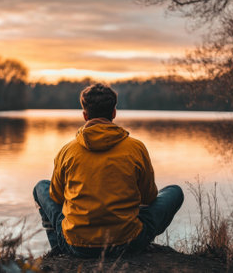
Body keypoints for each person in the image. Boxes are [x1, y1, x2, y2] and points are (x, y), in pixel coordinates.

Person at [33, 83, 184, 257]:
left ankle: (59, 250)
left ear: (85, 115)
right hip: (128, 243)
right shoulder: (136, 147)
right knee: (174, 191)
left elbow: (57, 197)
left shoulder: (67, 151)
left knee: (41, 187)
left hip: (77, 245)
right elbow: (149, 197)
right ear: (114, 113)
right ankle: (137, 239)